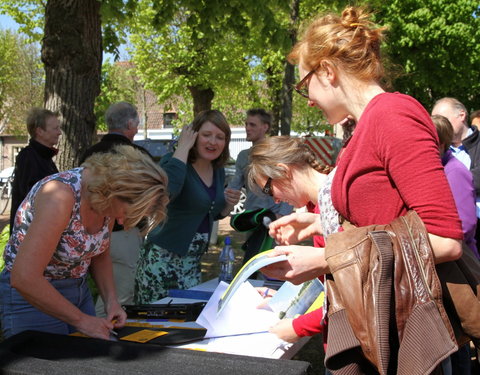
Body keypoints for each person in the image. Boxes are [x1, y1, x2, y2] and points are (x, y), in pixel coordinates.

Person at [249, 6, 463, 372]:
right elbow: (383, 215)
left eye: (305, 86)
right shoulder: (365, 127)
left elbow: (444, 239)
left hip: (405, 333)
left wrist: (324, 258)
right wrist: (318, 226)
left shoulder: (392, 115)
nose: (309, 99)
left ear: (328, 71)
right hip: (381, 322)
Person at [0, 145, 169, 340]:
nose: (124, 223)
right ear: (118, 189)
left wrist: (112, 301)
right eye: (127, 214)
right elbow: (24, 277)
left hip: (78, 291)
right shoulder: (60, 196)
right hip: (33, 298)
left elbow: (100, 252)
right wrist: (82, 320)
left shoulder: (107, 197)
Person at [134, 110, 241, 304]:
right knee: (158, 323)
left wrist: (228, 205)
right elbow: (167, 193)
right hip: (163, 260)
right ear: (193, 135)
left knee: (187, 320)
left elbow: (211, 213)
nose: (213, 142)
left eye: (220, 137)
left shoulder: (217, 171)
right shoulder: (173, 162)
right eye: (206, 135)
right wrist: (182, 147)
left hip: (192, 263)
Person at [246, 136, 333, 344]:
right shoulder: (315, 207)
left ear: (283, 171)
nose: (275, 199)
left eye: (268, 189)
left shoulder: (334, 200)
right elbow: (328, 285)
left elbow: (355, 289)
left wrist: (299, 327)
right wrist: (279, 300)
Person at [79, 102, 152, 317]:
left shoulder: (90, 153)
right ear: (130, 124)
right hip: (122, 234)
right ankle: (104, 339)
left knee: (108, 291)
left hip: (89, 233)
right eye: (137, 124)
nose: (137, 129)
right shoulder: (137, 156)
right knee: (119, 294)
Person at [228, 109, 293, 263]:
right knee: (252, 264)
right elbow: (234, 187)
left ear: (265, 127)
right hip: (252, 220)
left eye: (252, 124)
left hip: (276, 220)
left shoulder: (276, 153)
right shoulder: (244, 156)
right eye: (246, 124)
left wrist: (282, 215)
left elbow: (289, 185)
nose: (247, 128)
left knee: (273, 266)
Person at [432, 97, 480, 263]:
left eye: (443, 118)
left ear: (462, 115)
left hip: (464, 249)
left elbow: (465, 227)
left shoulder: (454, 169)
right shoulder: (447, 159)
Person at [10, 108, 62, 234]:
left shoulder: (43, 157)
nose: (59, 132)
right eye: (55, 128)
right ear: (39, 131)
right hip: (30, 234)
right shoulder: (28, 157)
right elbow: (33, 198)